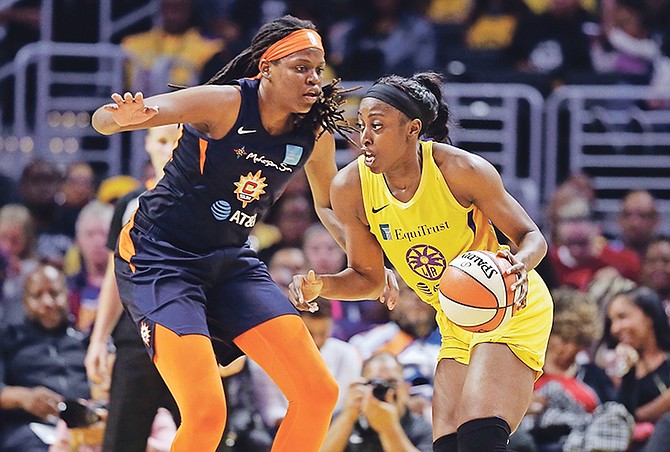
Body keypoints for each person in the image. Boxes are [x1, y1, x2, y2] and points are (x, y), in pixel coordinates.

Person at [90, 15, 394, 451]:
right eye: (301, 68)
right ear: (266, 68)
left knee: (317, 393)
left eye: (318, 67)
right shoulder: (224, 103)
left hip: (229, 259)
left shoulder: (314, 130)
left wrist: (372, 261)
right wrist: (118, 117)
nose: (314, 78)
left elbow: (327, 205)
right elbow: (107, 120)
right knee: (207, 413)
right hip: (160, 256)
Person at [289, 72, 554, 451]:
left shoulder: (460, 170)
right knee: (447, 444)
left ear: (413, 129)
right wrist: (323, 285)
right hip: (454, 316)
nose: (364, 137)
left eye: (377, 126)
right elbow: (370, 278)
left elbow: (532, 237)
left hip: (509, 306)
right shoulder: (351, 187)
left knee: (479, 434)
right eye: (361, 125)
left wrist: (519, 264)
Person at [85, 124, 181, 452]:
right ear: (148, 144)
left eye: (177, 141)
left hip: (192, 334)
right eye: (162, 140)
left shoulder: (209, 199)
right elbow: (115, 275)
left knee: (203, 437)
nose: (169, 149)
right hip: (136, 340)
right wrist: (99, 340)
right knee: (121, 442)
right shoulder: (130, 203)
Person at [0, 264, 93, 451]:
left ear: (67, 296)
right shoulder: (7, 340)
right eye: (37, 296)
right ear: (25, 302)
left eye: (54, 293)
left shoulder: (85, 342)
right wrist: (24, 398)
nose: (48, 303)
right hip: (28, 431)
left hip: (86, 430)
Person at [320, 351, 433, 452]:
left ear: (406, 389)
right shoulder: (341, 420)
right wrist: (348, 416)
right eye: (375, 383)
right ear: (362, 385)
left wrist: (389, 429)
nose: (384, 389)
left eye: (392, 382)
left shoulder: (423, 429)